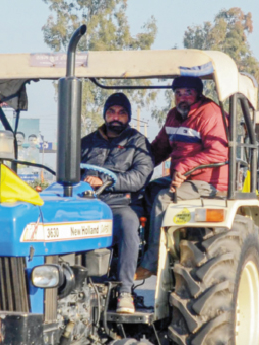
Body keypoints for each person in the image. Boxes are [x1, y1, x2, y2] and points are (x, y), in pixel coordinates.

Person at [135, 76, 228, 280]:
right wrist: (135, 164)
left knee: (162, 198)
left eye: (188, 92)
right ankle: (143, 247)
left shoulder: (210, 114)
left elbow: (219, 153)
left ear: (198, 94)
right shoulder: (173, 116)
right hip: (181, 177)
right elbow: (160, 148)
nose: (182, 98)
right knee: (147, 191)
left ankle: (151, 262)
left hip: (208, 182)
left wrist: (184, 168)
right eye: (178, 93)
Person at [80, 92, 153, 314]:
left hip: (120, 204)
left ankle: (125, 291)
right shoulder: (86, 142)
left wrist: (105, 182)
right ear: (105, 114)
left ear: (128, 117)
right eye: (111, 111)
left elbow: (139, 177)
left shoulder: (138, 143)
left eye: (121, 113)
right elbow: (69, 174)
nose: (115, 117)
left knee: (129, 225)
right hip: (88, 204)